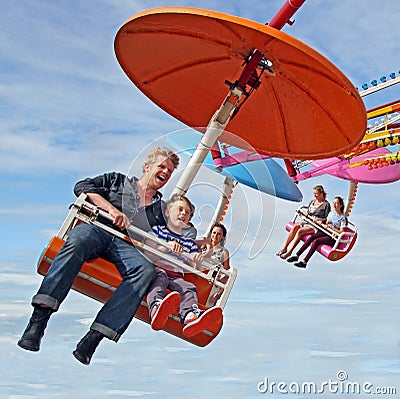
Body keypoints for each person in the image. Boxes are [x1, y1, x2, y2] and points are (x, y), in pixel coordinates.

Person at [17, 146, 180, 365]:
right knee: (78, 240)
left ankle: (94, 337)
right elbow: (82, 186)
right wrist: (111, 210)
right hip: (98, 230)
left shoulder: (160, 210)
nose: (165, 173)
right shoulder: (116, 181)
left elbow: (166, 235)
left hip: (126, 247)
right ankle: (38, 320)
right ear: (147, 166)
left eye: (170, 171)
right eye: (162, 166)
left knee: (145, 270)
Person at [145, 194, 223, 337]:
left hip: (177, 275)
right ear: (168, 212)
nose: (183, 214)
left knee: (188, 287)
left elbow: (194, 268)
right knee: (159, 279)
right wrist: (166, 247)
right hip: (158, 268)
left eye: (187, 213)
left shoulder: (189, 243)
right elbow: (148, 253)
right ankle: (156, 307)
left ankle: (189, 316)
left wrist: (197, 260)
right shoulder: (157, 231)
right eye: (180, 210)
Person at [289, 196, 348, 268]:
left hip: (332, 236)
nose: (334, 205)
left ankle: (304, 262)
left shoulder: (342, 218)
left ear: (340, 205)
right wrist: (319, 220)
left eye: (336, 203)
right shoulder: (331, 214)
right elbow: (326, 222)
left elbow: (341, 232)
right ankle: (297, 255)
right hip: (325, 232)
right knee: (311, 238)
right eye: (333, 203)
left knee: (316, 241)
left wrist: (331, 227)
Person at [276, 185, 330, 260]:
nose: (315, 196)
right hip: (307, 221)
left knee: (300, 231)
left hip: (315, 225)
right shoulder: (312, 202)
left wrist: (319, 219)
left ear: (321, 193)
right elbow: (309, 211)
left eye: (316, 194)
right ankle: (284, 248)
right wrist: (306, 213)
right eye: (314, 194)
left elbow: (326, 219)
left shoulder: (326, 205)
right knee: (295, 227)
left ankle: (290, 251)